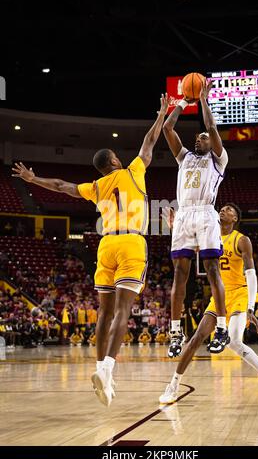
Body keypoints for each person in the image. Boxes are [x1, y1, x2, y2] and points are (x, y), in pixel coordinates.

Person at [12, 93, 170, 407]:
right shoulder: (132, 171)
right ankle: (109, 370)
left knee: (106, 312)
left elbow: (60, 185)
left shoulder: (95, 187)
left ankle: (101, 373)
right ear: (113, 161)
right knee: (124, 311)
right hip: (131, 242)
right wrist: (161, 115)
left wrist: (32, 178)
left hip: (105, 245)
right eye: (115, 155)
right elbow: (149, 143)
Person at [159, 204, 258, 407]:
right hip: (220, 295)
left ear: (235, 218)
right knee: (196, 337)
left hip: (240, 293)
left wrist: (250, 307)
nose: (223, 210)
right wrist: (175, 229)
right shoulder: (209, 237)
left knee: (233, 342)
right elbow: (188, 245)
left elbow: (252, 276)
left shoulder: (242, 240)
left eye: (229, 210)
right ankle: (173, 387)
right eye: (222, 208)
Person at [163, 79, 229, 357]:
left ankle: (222, 329)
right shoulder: (185, 158)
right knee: (179, 274)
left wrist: (202, 99)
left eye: (202, 138)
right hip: (184, 216)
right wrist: (180, 103)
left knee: (213, 270)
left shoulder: (218, 159)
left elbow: (212, 127)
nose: (198, 139)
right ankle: (175, 332)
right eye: (197, 138)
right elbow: (167, 128)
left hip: (204, 213)